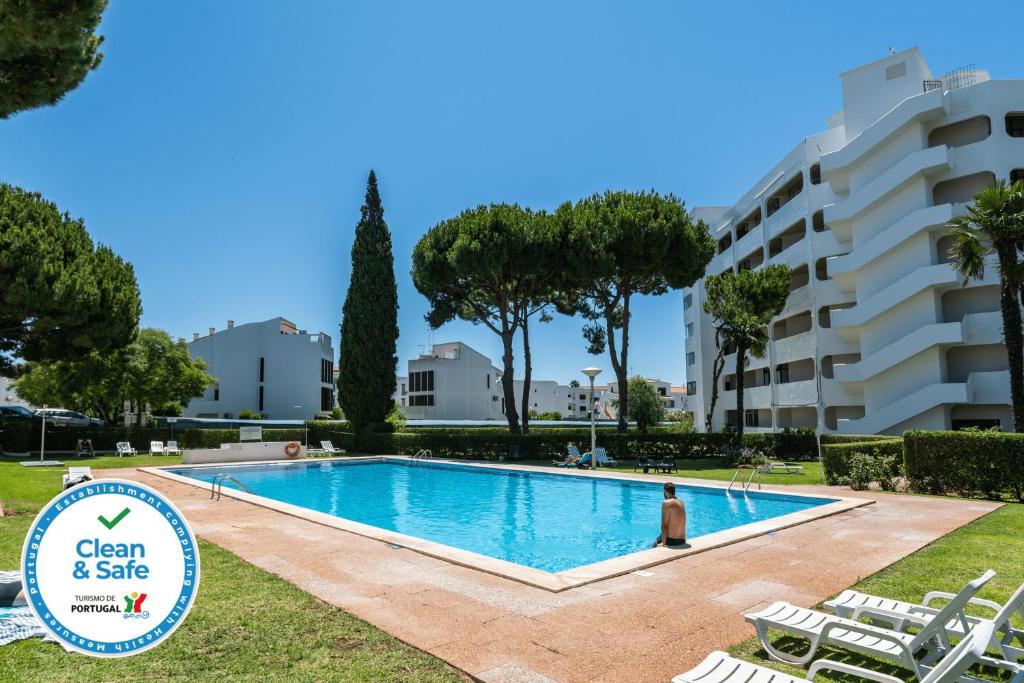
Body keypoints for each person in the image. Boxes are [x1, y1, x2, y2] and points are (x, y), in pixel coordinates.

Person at [653, 482, 687, 548]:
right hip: (682, 540)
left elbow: (664, 525)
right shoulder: (681, 501)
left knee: (654, 543)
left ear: (665, 491)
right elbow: (683, 521)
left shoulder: (666, 503)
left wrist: (663, 543)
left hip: (672, 541)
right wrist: (684, 539)